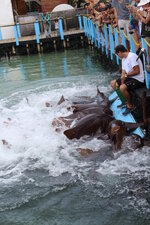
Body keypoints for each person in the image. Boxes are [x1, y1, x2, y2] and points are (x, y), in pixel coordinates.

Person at [110, 45, 145, 115]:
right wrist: (122, 81)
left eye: (117, 54)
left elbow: (137, 71)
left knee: (122, 88)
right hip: (130, 77)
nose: (117, 55)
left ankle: (130, 106)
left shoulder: (131, 56)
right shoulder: (123, 59)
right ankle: (124, 101)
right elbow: (123, 71)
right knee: (113, 83)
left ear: (120, 52)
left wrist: (125, 76)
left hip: (138, 79)